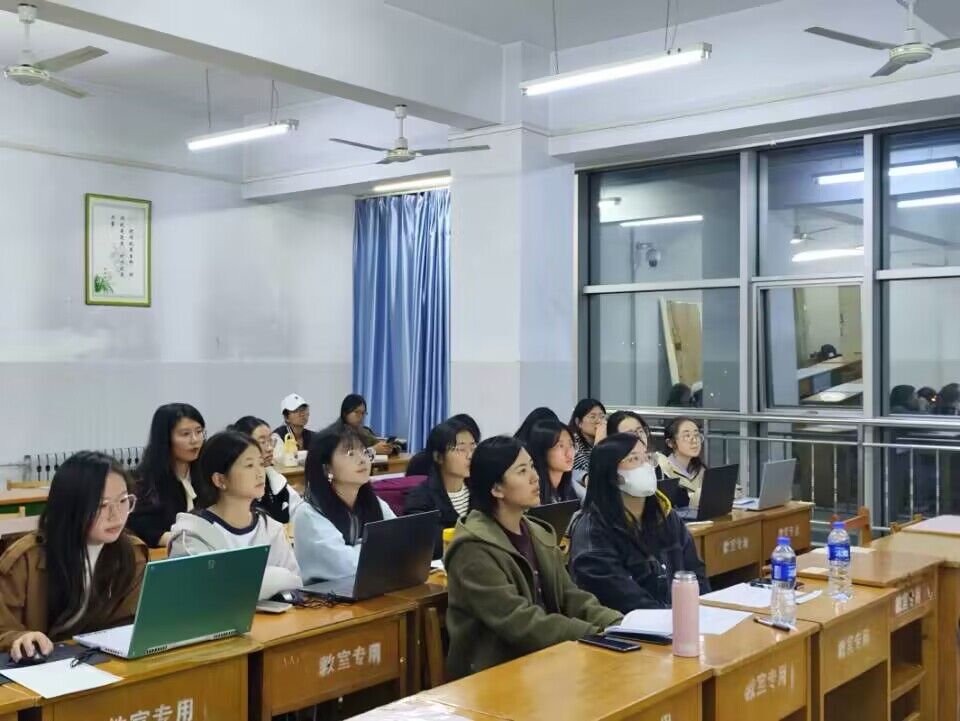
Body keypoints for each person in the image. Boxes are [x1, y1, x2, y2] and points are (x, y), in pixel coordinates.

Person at [444, 436, 622, 679]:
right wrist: (593, 634)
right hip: (494, 674)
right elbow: (518, 621)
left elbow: (570, 595)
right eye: (522, 471)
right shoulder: (473, 548)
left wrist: (617, 624)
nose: (535, 477)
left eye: (532, 466)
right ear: (496, 489)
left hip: (545, 661)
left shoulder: (537, 532)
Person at [0, 451, 147, 659]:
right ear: (71, 507)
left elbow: (127, 623)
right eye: (102, 505)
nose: (116, 515)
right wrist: (19, 638)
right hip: (39, 667)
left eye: (123, 501)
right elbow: (3, 628)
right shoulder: (24, 560)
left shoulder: (132, 554)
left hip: (100, 663)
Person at [568, 433, 708, 613]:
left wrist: (702, 610)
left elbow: (695, 573)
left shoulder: (665, 515)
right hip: (629, 625)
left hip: (680, 618)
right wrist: (670, 618)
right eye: (634, 459)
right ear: (611, 473)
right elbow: (621, 598)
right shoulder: (592, 531)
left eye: (647, 458)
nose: (646, 466)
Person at [168, 431, 301, 600]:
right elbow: (207, 594)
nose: (260, 473)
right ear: (220, 480)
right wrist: (274, 577)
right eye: (249, 465)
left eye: (261, 464)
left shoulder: (270, 527)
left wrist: (243, 584)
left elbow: (295, 583)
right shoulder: (193, 534)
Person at [293, 426, 395, 582]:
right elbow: (349, 566)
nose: (362, 459)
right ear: (327, 468)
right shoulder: (309, 514)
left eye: (364, 451)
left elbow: (402, 542)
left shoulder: (373, 502)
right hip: (326, 595)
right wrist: (379, 548)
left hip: (371, 587)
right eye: (350, 453)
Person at [129, 403, 206, 548]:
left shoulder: (207, 474)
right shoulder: (144, 481)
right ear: (165, 438)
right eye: (185, 434)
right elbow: (140, 527)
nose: (195, 440)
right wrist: (171, 539)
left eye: (199, 431)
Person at [404, 420, 474, 558]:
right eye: (461, 449)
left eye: (473, 447)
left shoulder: (481, 491)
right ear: (438, 457)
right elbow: (425, 544)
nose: (470, 455)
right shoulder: (420, 498)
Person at [229, 416, 303, 523]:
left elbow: (299, 511)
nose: (270, 448)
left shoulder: (276, 481)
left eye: (270, 441)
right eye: (262, 442)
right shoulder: (234, 490)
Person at [526, 419, 578, 505]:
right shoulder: (533, 492)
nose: (569, 453)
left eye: (571, 444)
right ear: (543, 450)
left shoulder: (570, 489)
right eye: (560, 446)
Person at [657, 417, 705, 509]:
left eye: (697, 435)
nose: (694, 441)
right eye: (687, 436)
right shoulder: (663, 471)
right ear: (670, 443)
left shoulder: (700, 469)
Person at [323, 394, 393, 455]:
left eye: (363, 413)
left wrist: (387, 447)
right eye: (357, 412)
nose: (361, 417)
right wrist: (373, 450)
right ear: (345, 413)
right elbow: (346, 457)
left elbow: (377, 444)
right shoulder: (335, 434)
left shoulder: (364, 431)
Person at [569, 399, 607, 472]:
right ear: (578, 422)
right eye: (592, 417)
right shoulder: (572, 442)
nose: (599, 421)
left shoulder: (608, 441)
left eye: (602, 416)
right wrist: (599, 442)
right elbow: (588, 471)